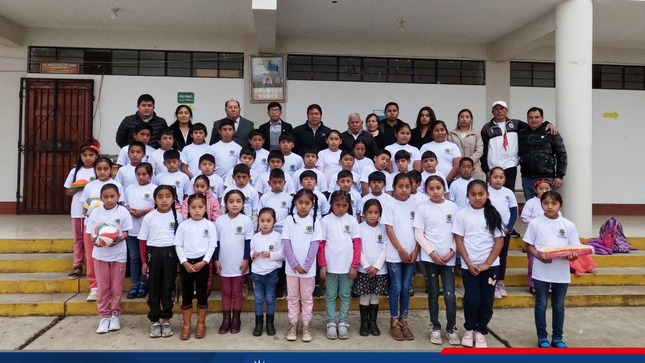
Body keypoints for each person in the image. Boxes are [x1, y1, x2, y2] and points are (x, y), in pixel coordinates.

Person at [524, 191, 580, 348]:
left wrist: (571, 256)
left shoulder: (568, 225)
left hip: (560, 272)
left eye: (554, 203)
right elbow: (529, 245)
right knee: (541, 303)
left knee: (558, 304)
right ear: (541, 204)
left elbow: (574, 249)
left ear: (560, 205)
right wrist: (539, 255)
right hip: (541, 271)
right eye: (546, 203)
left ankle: (557, 338)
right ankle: (542, 337)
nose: (550, 207)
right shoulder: (535, 223)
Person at [452, 180, 504, 348]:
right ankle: (469, 329)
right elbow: (458, 240)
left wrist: (488, 264)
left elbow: (499, 241)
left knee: (486, 300)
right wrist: (467, 262)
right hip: (470, 266)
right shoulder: (462, 214)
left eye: (481, 194)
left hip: (490, 266)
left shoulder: (493, 214)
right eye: (473, 194)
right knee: (472, 299)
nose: (477, 197)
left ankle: (481, 331)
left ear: (487, 195)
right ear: (467, 196)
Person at [414, 176, 460, 346]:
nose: (435, 192)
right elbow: (419, 233)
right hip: (429, 259)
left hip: (448, 259)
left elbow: (458, 233)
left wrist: (452, 251)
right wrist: (432, 254)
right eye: (431, 188)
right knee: (433, 294)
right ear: (426, 191)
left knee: (450, 295)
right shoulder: (422, 208)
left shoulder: (453, 207)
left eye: (438, 188)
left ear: (444, 188)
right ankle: (435, 327)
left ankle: (451, 328)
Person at [85, 183, 132, 334]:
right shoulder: (96, 213)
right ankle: (103, 316)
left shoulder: (123, 211)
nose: (109, 199)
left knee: (116, 287)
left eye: (112, 196)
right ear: (101, 198)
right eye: (105, 197)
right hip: (100, 256)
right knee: (103, 287)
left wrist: (118, 239)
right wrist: (97, 242)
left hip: (118, 255)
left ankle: (115, 315)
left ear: (118, 197)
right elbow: (91, 234)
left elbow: (126, 232)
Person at [139, 185, 182, 338]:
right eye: (160, 197)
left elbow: (181, 240)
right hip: (154, 254)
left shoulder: (178, 216)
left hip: (171, 254)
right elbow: (143, 241)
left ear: (173, 198)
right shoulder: (149, 217)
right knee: (153, 288)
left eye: (168, 196)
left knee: (168, 287)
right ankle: (155, 320)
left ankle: (166, 319)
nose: (164, 200)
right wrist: (144, 261)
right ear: (155, 199)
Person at [381, 173, 419, 341]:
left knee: (405, 288)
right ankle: (394, 321)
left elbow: (419, 229)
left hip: (412, 254)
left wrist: (415, 251)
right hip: (395, 253)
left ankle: (404, 320)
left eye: (407, 186)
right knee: (396, 287)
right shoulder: (389, 204)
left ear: (412, 187)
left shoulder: (417, 204)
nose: (404, 190)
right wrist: (400, 250)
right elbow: (389, 229)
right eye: (400, 186)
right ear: (394, 187)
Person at [318, 190, 361, 340]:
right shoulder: (325, 221)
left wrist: (355, 265)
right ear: (331, 204)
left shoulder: (352, 221)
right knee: (330, 295)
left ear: (348, 205)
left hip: (347, 267)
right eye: (337, 205)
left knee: (345, 295)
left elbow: (357, 244)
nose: (341, 208)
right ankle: (331, 322)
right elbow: (321, 244)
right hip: (330, 267)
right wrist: (322, 264)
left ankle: (343, 322)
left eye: (344, 205)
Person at [80, 157, 124, 301]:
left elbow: (121, 207)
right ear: (95, 170)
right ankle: (94, 286)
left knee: (111, 259)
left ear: (111, 170)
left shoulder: (117, 185)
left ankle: (110, 287)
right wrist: (88, 211)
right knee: (93, 256)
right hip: (92, 228)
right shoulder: (89, 186)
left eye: (106, 169)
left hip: (112, 228)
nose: (102, 172)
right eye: (99, 169)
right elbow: (84, 208)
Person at [174, 193, 217, 340]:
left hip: (202, 264)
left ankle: (201, 324)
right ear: (188, 208)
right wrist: (184, 262)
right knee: (186, 294)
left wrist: (204, 262)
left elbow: (212, 245)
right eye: (193, 207)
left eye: (200, 207)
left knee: (202, 294)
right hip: (186, 263)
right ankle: (186, 325)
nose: (197, 210)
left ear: (205, 208)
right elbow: (178, 245)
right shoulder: (183, 226)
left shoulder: (209, 225)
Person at [282, 189, 322, 342]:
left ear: (312, 205)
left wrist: (305, 265)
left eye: (307, 203)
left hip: (308, 270)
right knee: (292, 297)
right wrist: (293, 264)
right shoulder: (289, 221)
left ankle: (306, 325)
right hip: (291, 269)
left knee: (306, 298)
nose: (303, 206)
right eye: (300, 202)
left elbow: (315, 245)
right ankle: (293, 324)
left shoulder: (315, 222)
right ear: (295, 203)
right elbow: (286, 243)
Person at [214, 190, 254, 334]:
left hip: (239, 263)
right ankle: (226, 320)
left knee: (237, 292)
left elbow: (248, 242)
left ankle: (236, 319)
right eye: (231, 201)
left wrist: (246, 260)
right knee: (225, 292)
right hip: (223, 263)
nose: (234, 204)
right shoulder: (219, 221)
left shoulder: (246, 221)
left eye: (238, 201)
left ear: (243, 203)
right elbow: (216, 243)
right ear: (225, 204)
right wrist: (216, 260)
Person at [352, 199, 388, 337]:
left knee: (375, 296)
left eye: (376, 212)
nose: (373, 215)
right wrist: (366, 266)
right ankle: (364, 322)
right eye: (370, 212)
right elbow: (357, 249)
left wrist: (377, 266)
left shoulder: (383, 229)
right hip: (364, 269)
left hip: (380, 270)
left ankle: (373, 322)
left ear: (380, 214)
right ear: (365, 213)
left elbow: (385, 248)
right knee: (365, 295)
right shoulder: (359, 228)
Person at [64, 143, 98, 280]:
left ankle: (94, 265)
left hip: (94, 211)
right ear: (80, 156)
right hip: (78, 210)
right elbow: (68, 191)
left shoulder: (98, 170)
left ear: (96, 156)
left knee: (92, 239)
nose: (88, 158)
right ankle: (77, 265)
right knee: (79, 239)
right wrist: (79, 186)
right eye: (84, 155)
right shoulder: (75, 172)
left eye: (91, 155)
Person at [123, 162, 156, 299]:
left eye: (144, 174)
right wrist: (130, 209)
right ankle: (134, 286)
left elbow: (157, 206)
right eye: (138, 174)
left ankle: (143, 285)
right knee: (134, 257)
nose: (141, 177)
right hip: (132, 228)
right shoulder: (130, 188)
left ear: (150, 175)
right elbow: (124, 204)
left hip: (147, 230)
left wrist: (144, 211)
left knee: (145, 258)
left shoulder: (154, 188)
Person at [518, 106, 568, 200]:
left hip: (546, 177)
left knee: (548, 205)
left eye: (537, 117)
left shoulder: (551, 132)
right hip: (527, 178)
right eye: (531, 117)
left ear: (542, 118)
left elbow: (561, 154)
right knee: (531, 206)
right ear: (527, 119)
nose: (534, 120)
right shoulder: (521, 133)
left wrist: (560, 176)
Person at [250, 208, 284, 337]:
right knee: (258, 299)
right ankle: (258, 324)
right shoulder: (255, 237)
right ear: (258, 221)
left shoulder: (277, 237)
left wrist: (270, 254)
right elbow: (251, 251)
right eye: (262, 221)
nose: (265, 224)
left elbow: (282, 254)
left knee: (270, 298)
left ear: (274, 222)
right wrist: (254, 254)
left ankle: (270, 323)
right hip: (257, 273)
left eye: (268, 221)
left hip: (271, 273)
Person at [487, 167, 518, 299]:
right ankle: (491, 283)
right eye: (495, 177)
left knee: (502, 257)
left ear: (505, 179)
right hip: (489, 232)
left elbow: (514, 212)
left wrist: (508, 228)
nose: (498, 180)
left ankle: (499, 282)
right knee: (491, 257)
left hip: (504, 232)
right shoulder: (486, 191)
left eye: (501, 177)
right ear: (490, 178)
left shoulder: (509, 193)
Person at [520, 179, 555, 295]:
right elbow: (524, 217)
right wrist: (537, 223)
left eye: (547, 188)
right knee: (533, 262)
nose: (544, 191)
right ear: (535, 190)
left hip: (549, 238)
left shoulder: (553, 202)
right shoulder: (531, 202)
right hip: (534, 237)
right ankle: (533, 284)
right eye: (541, 189)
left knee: (549, 262)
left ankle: (549, 284)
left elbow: (559, 217)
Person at [448, 109, 485, 181]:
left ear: (471, 119)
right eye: (462, 117)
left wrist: (469, 162)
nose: (464, 119)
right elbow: (450, 150)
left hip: (474, 167)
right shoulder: (451, 133)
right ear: (458, 119)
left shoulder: (476, 133)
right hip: (458, 167)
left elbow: (480, 149)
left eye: (467, 117)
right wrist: (461, 164)